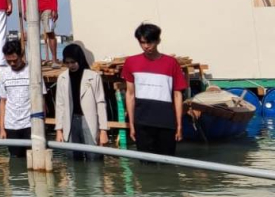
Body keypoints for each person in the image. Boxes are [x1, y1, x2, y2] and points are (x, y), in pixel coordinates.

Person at [122, 23, 186, 156]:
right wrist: (132, 124)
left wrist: (179, 125)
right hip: (142, 122)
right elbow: (130, 94)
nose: (146, 46)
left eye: (150, 42)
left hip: (166, 122)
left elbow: (177, 95)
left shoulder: (171, 63)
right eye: (142, 42)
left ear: (158, 41)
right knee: (146, 165)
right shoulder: (131, 62)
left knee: (167, 164)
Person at [55, 43, 109, 160]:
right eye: (67, 62)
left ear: (79, 59)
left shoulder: (94, 77)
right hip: (70, 121)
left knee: (94, 157)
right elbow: (60, 105)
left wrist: (103, 130)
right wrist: (59, 130)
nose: (71, 65)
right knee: (73, 158)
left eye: (73, 62)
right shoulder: (62, 78)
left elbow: (100, 103)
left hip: (89, 120)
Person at [0, 39, 46, 158]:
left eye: (15, 60)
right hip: (11, 125)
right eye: (9, 61)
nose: (12, 64)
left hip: (30, 124)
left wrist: (42, 124)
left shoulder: (33, 72)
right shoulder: (3, 74)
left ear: (21, 55)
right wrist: (2, 129)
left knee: (34, 157)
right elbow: (2, 102)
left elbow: (42, 99)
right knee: (15, 159)